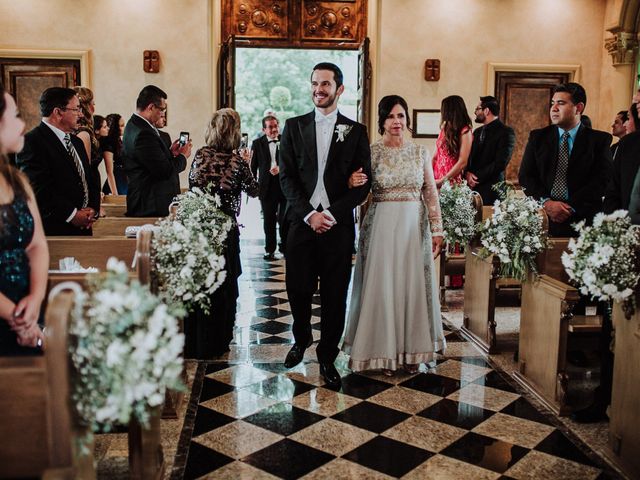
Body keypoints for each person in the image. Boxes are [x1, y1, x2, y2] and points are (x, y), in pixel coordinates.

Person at [279, 62, 371, 388]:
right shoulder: (293, 127)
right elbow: (286, 177)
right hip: (301, 223)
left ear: (339, 89)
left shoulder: (355, 131)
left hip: (338, 226)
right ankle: (301, 337)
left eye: (326, 84)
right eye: (315, 83)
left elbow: (363, 183)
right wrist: (309, 214)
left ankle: (327, 357)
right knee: (298, 289)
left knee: (334, 295)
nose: (319, 89)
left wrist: (330, 213)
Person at [343, 95, 445, 375]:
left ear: (407, 120)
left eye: (400, 116)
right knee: (383, 286)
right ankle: (382, 353)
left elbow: (430, 191)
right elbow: (360, 192)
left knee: (411, 285)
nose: (396, 122)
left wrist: (437, 228)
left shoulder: (419, 152)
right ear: (382, 121)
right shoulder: (372, 152)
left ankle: (413, 353)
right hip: (381, 227)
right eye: (390, 116)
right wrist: (351, 182)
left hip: (414, 226)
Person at [186, 108, 259, 359]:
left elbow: (193, 185)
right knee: (222, 284)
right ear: (234, 132)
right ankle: (216, 341)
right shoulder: (237, 161)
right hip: (223, 229)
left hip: (197, 228)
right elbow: (254, 190)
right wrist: (247, 164)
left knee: (200, 283)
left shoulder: (200, 155)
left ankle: (196, 341)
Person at [519, 82, 612, 238]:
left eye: (561, 103)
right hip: (542, 218)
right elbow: (526, 176)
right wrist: (547, 203)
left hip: (583, 222)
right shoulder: (538, 137)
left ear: (579, 107)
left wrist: (569, 207)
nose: (554, 108)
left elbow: (603, 180)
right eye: (552, 103)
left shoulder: (599, 140)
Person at [0, 83, 48, 355]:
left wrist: (36, 297)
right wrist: (16, 317)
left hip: (27, 307)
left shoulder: (16, 180)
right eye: (15, 115)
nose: (22, 124)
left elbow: (37, 244)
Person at [17, 87, 100, 236]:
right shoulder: (32, 142)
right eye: (75, 109)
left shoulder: (76, 142)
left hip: (85, 227)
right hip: (55, 228)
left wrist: (92, 209)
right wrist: (73, 215)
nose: (80, 114)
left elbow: (90, 178)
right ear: (58, 112)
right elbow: (38, 188)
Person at [123, 85, 190, 216]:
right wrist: (183, 156)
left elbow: (149, 161)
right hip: (149, 204)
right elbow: (164, 171)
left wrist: (170, 153)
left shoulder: (134, 124)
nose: (163, 113)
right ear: (151, 107)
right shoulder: (144, 133)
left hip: (148, 201)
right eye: (162, 109)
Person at [465, 96, 515, 206]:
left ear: (486, 110)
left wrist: (476, 177)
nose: (475, 112)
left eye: (478, 109)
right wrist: (467, 173)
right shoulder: (477, 132)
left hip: (492, 190)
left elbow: (500, 163)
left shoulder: (506, 132)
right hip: (472, 189)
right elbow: (469, 156)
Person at [250, 115, 288, 260]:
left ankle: (285, 247)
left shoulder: (286, 140)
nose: (274, 129)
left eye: (275, 126)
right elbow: (253, 167)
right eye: (270, 127)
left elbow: (293, 162)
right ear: (263, 129)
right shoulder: (257, 143)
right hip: (266, 187)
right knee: (269, 219)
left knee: (285, 219)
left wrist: (281, 168)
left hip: (285, 186)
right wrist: (253, 187)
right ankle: (269, 249)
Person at [432, 95, 473, 188]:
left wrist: (443, 180)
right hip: (436, 177)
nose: (441, 112)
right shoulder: (444, 129)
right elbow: (435, 157)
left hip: (451, 179)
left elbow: (462, 162)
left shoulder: (465, 131)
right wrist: (429, 177)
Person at [101, 113, 127, 195]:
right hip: (117, 180)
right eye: (122, 126)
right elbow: (109, 172)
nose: (124, 128)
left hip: (124, 177)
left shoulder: (118, 140)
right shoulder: (109, 143)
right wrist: (115, 194)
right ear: (115, 128)